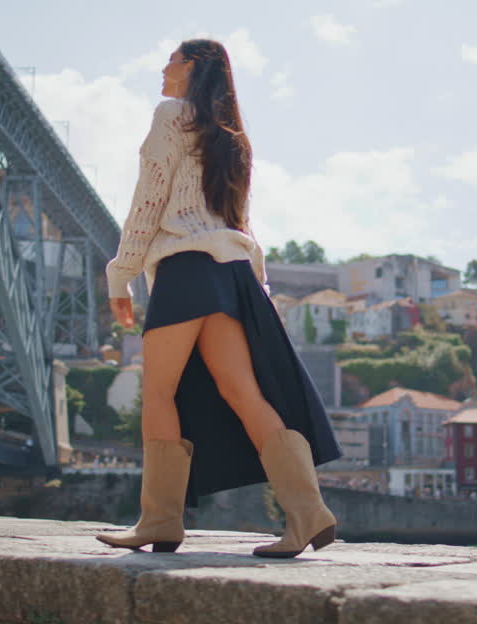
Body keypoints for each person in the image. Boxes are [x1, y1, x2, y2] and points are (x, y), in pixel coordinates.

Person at [94, 39, 342, 558]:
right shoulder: (234, 138)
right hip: (230, 274)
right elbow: (240, 223)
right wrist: (260, 291)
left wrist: (121, 273)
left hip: (186, 270)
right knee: (244, 393)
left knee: (159, 392)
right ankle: (308, 513)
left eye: (171, 60)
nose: (163, 68)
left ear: (192, 67)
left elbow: (148, 201)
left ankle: (160, 521)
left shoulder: (171, 117)